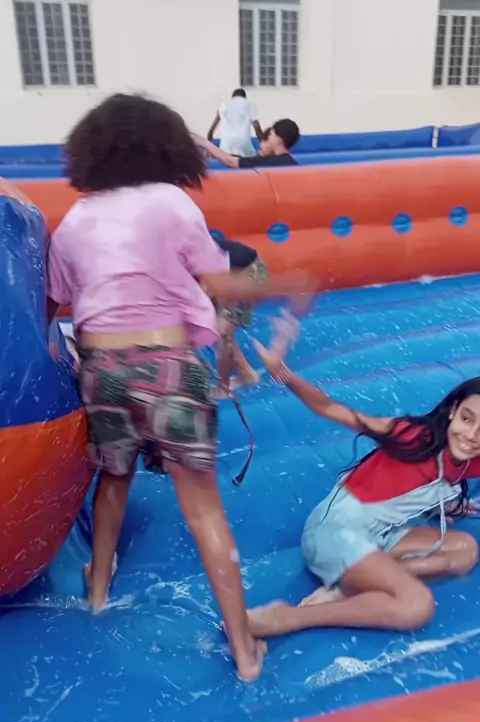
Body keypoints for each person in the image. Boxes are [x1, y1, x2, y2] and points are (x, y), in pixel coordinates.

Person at [45, 93, 317, 680]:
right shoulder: (170, 202)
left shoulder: (75, 220)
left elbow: (51, 306)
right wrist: (288, 283)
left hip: (101, 369)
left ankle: (98, 590)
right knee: (204, 510)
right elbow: (218, 284)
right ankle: (244, 650)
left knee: (113, 479)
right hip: (168, 364)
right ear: (163, 147)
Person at [247, 342, 480, 639]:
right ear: (453, 411)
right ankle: (290, 617)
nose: (471, 436)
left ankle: (357, 584)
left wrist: (445, 504)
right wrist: (282, 374)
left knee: (465, 551)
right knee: (416, 606)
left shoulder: (470, 458)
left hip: (380, 535)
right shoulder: (412, 436)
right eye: (467, 419)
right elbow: (329, 408)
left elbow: (429, 481)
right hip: (335, 533)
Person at [211, 235, 267, 392]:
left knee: (221, 332)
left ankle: (225, 387)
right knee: (216, 327)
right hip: (231, 274)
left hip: (250, 272)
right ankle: (246, 373)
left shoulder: (189, 248)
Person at [195, 119, 300, 169]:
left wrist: (204, 143)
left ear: (278, 139)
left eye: (270, 135)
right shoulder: (294, 165)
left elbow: (232, 161)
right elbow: (242, 159)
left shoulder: (271, 162)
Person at [207, 88, 262, 157]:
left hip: (226, 144)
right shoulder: (250, 105)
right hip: (243, 143)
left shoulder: (224, 105)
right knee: (253, 157)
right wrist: (263, 144)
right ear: (245, 97)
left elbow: (211, 130)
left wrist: (208, 148)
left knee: (226, 156)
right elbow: (257, 127)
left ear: (232, 97)